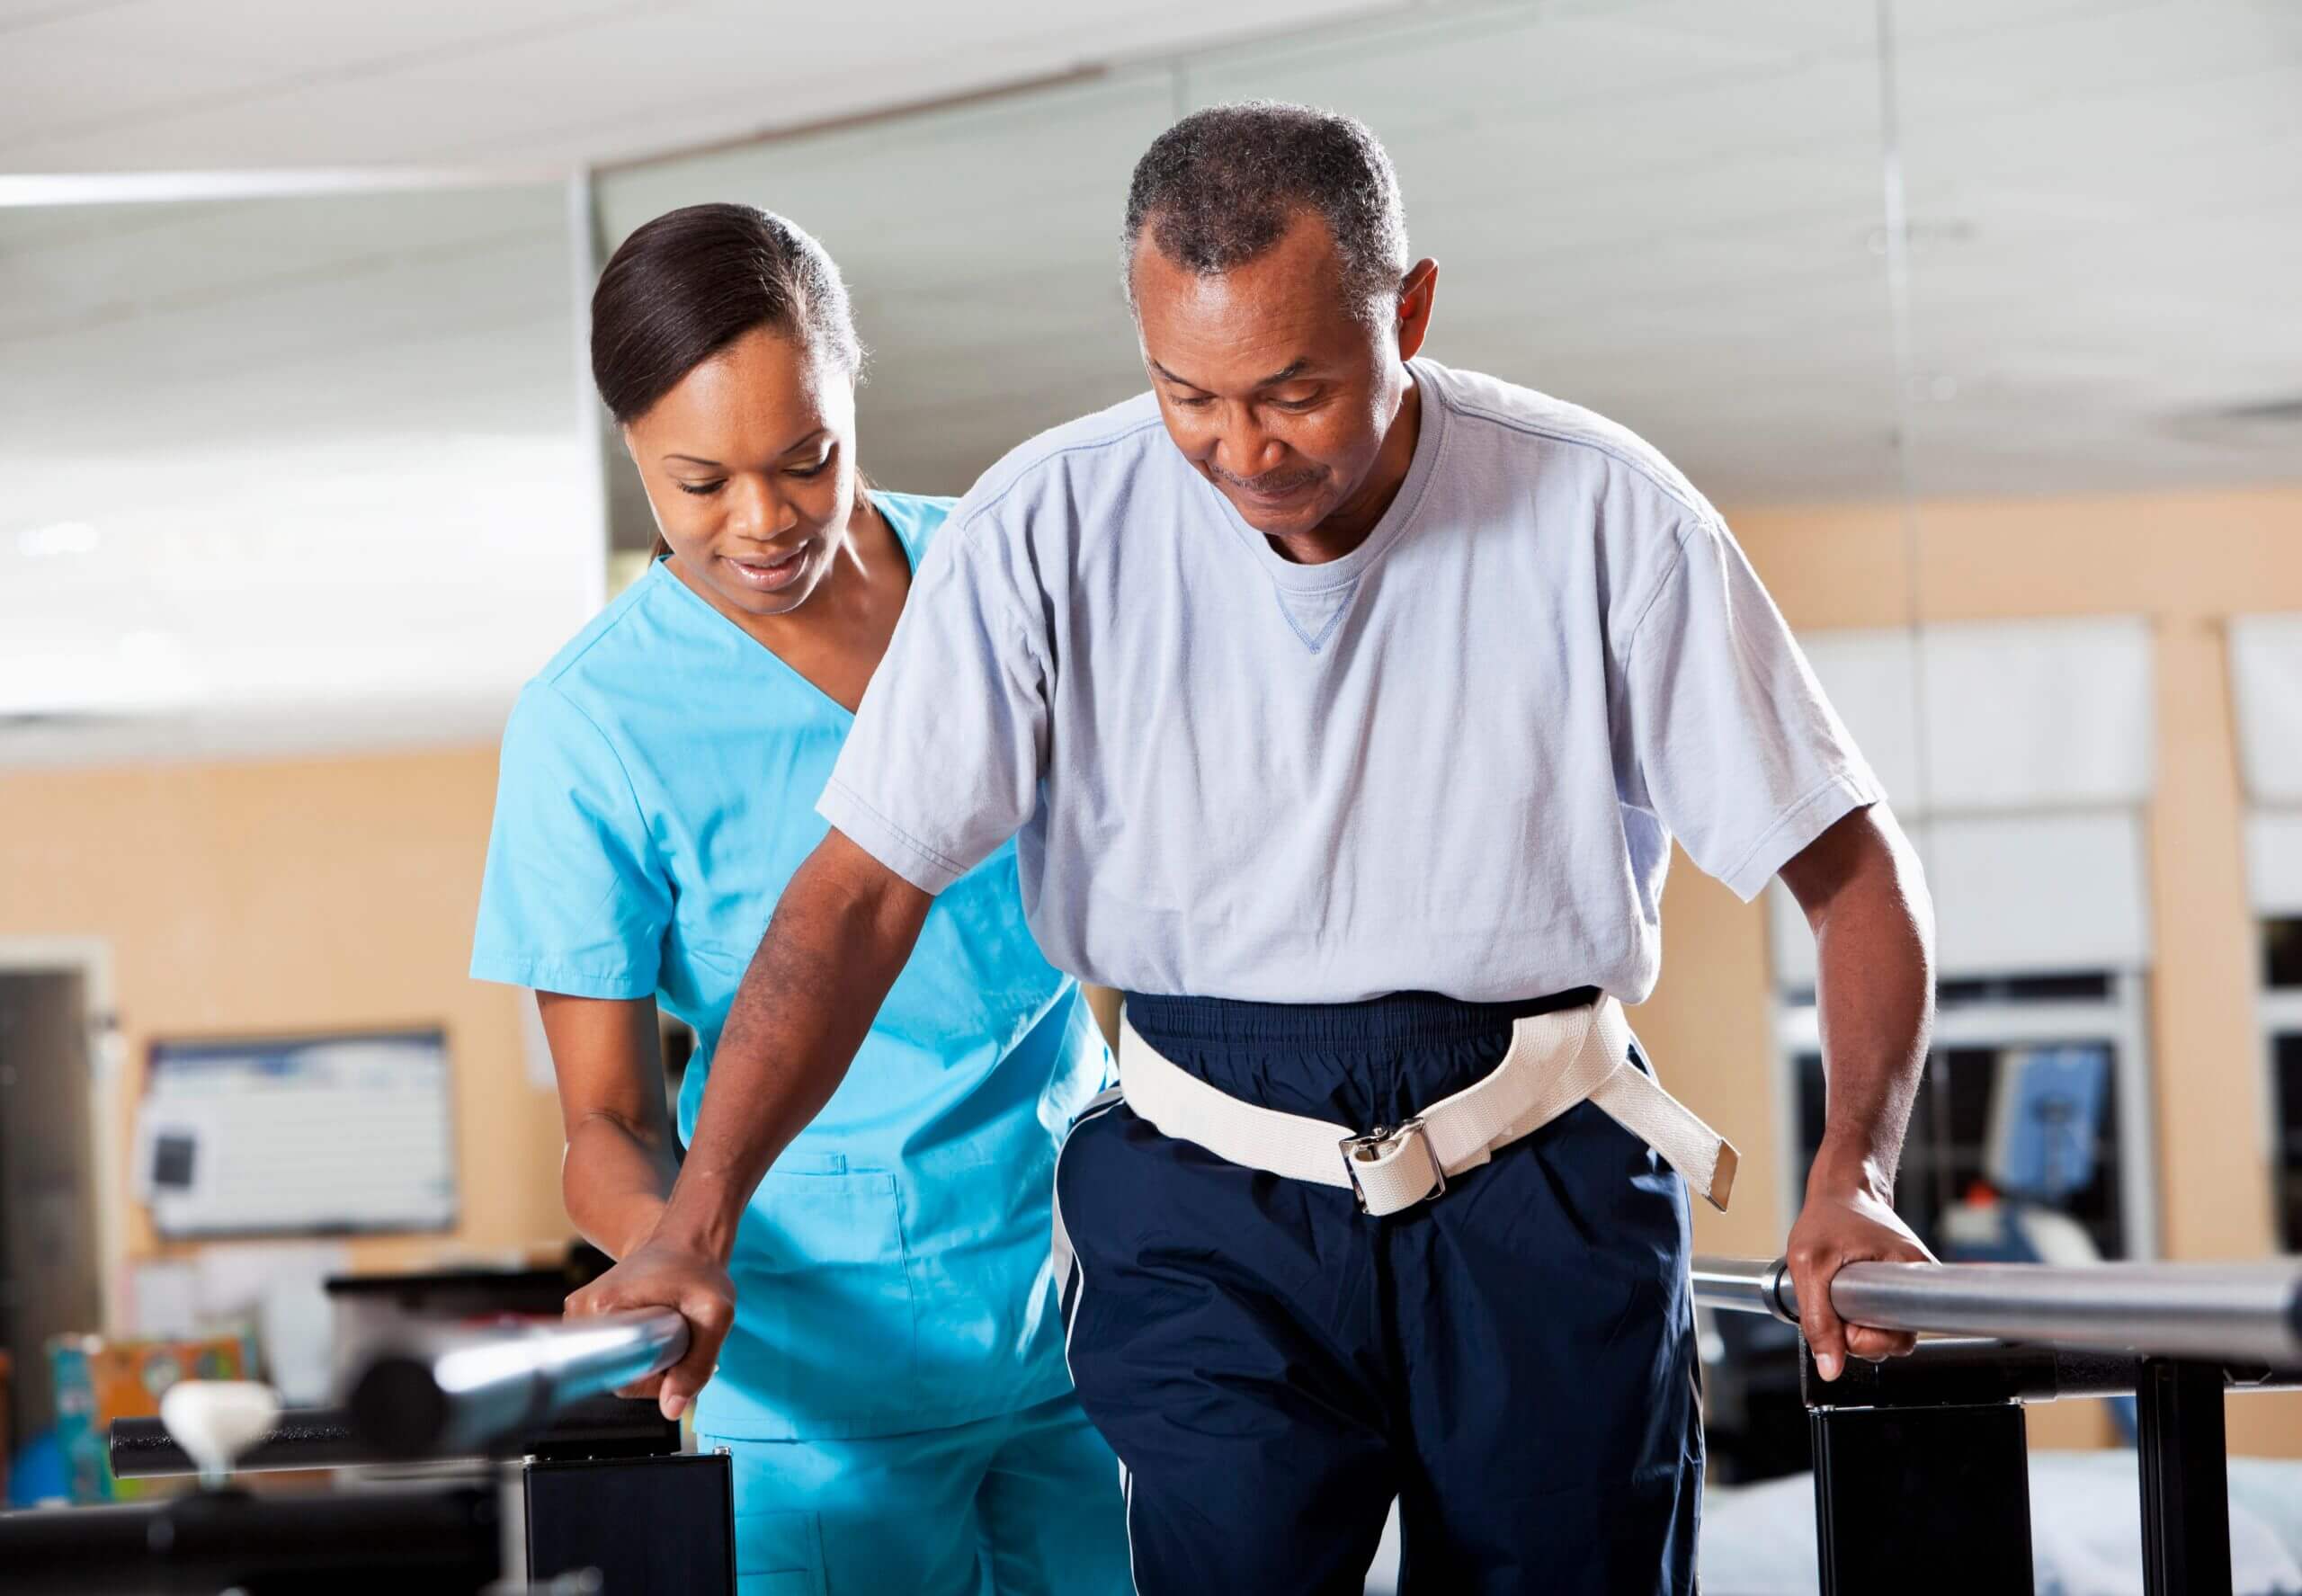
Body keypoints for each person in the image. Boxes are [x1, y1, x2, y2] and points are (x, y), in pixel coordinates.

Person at [574, 106, 1938, 1594]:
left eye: (1294, 389)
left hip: (1538, 1163)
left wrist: (1856, 1168)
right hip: (1201, 1188)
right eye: (1189, 394)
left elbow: (1852, 872)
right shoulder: (1045, 525)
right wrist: (692, 1225)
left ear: (1408, 310)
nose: (1242, 450)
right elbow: (855, 899)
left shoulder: (1606, 515)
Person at [469, 202, 1129, 1596]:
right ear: (631, 452)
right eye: (698, 482)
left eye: (806, 460)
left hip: (1089, 1309)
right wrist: (667, 1243)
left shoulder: (996, 578)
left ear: (850, 398)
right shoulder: (593, 722)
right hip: (816, 1365)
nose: (763, 523)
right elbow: (603, 1121)